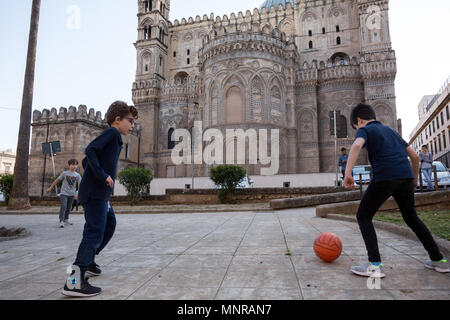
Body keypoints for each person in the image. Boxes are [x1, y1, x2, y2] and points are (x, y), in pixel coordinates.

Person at [344, 103, 449, 278]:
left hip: (385, 175)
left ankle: (375, 265)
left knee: (363, 216)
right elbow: (414, 156)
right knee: (411, 217)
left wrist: (348, 174)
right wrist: (415, 179)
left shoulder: (365, 130)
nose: (357, 129)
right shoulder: (391, 131)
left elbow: (356, 146)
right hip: (405, 176)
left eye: (356, 126)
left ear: (359, 120)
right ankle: (438, 260)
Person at [62, 101, 138, 297]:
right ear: (117, 119)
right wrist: (103, 175)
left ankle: (89, 262)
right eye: (130, 120)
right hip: (96, 194)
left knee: (109, 225)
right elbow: (90, 151)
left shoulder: (114, 137)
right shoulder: (112, 133)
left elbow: (88, 161)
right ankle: (73, 282)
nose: (132, 125)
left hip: (100, 194)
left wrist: (96, 174)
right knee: (94, 232)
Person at [46, 159, 81, 228]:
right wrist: (50, 188)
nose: (74, 166)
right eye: (73, 164)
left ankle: (66, 219)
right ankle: (61, 221)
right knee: (63, 206)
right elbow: (56, 180)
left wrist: (78, 193)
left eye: (76, 165)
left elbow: (80, 185)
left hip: (72, 194)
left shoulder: (77, 175)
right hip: (64, 193)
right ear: (69, 165)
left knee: (69, 207)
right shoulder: (65, 173)